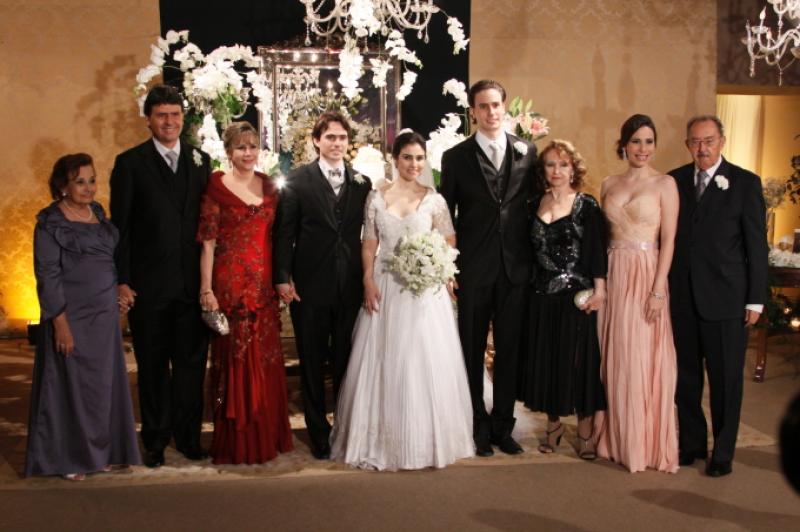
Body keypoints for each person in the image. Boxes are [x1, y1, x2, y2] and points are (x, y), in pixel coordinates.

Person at [330, 131, 474, 470]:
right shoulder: (376, 198)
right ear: (395, 160)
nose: (414, 164)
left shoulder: (434, 200)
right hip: (386, 284)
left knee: (421, 359)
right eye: (407, 157)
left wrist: (439, 266)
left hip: (424, 290)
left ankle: (425, 440)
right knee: (386, 359)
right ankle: (382, 438)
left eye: (419, 158)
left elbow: (449, 239)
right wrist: (367, 279)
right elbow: (369, 242)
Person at [110, 84, 211, 468]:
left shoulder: (201, 161)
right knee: (152, 367)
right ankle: (155, 439)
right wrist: (122, 280)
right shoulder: (130, 163)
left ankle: (188, 438)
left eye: (174, 114)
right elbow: (121, 229)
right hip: (148, 288)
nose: (169, 122)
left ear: (183, 118)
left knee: (191, 368)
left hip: (192, 287)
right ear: (149, 120)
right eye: (161, 115)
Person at [26, 153, 141, 480]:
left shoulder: (98, 214)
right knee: (71, 387)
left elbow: (109, 262)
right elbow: (47, 276)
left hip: (104, 317)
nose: (89, 188)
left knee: (101, 387)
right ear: (63, 186)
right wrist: (59, 323)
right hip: (70, 315)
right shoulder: (50, 223)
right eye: (80, 182)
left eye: (92, 180)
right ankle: (70, 459)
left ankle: (100, 453)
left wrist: (119, 289)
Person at [440, 79, 537, 457]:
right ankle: (478, 426)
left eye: (496, 105)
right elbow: (446, 217)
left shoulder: (527, 151)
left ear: (504, 106)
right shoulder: (456, 157)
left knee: (510, 349)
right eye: (483, 106)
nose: (491, 112)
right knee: (471, 349)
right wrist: (449, 267)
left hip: (516, 269)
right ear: (473, 111)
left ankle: (503, 426)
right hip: (474, 268)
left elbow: (534, 206)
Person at [668, 115, 768, 477]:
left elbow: (757, 246)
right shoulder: (674, 181)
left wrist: (755, 299)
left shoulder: (745, 183)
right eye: (695, 142)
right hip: (682, 297)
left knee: (726, 381)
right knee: (686, 379)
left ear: (722, 141)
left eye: (708, 140)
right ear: (687, 145)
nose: (702, 148)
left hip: (727, 299)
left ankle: (723, 452)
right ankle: (692, 444)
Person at [273, 111, 372, 459]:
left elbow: (368, 235)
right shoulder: (297, 180)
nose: (336, 143)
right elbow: (284, 234)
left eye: (342, 138)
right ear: (316, 140)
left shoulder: (362, 183)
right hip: (310, 286)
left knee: (346, 360)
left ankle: (344, 428)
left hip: (350, 287)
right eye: (330, 137)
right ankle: (317, 431)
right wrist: (282, 277)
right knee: (312, 362)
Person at [197, 122, 294, 464]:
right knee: (236, 362)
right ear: (228, 151)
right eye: (241, 147)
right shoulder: (216, 187)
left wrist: (283, 277)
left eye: (253, 146)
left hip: (263, 285)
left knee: (265, 360)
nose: (248, 153)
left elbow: (279, 238)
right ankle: (237, 441)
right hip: (230, 285)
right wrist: (206, 289)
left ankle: (266, 434)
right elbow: (208, 243)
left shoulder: (269, 186)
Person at [593, 114, 680, 473]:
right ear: (624, 145)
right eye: (636, 141)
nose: (643, 149)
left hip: (646, 274)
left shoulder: (665, 184)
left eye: (648, 141)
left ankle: (643, 444)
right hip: (614, 273)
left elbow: (669, 240)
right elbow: (600, 239)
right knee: (615, 353)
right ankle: (616, 438)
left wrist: (658, 289)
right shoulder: (608, 183)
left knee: (642, 355)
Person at [518, 140, 607, 459]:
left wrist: (600, 290)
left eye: (563, 164)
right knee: (548, 363)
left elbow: (596, 250)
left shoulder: (586, 205)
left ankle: (585, 434)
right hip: (541, 296)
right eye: (551, 164)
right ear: (543, 170)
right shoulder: (533, 204)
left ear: (573, 169)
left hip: (576, 299)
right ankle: (553, 427)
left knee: (579, 365)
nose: (557, 170)